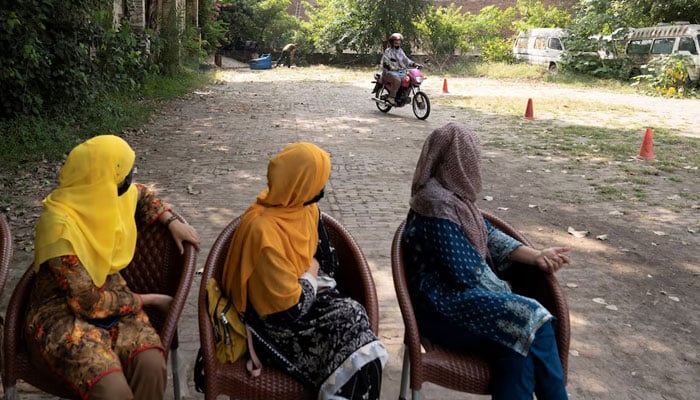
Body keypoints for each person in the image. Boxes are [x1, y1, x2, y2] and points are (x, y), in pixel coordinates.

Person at [402, 122, 570, 400]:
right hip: (441, 306)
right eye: (471, 159)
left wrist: (537, 256)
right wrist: (511, 298)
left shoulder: (455, 200)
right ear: (456, 161)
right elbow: (465, 273)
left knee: (519, 346)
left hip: (462, 300)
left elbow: (490, 236)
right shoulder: (436, 204)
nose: (476, 167)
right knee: (533, 318)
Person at [25, 135, 201, 400]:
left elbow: (141, 194)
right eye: (125, 172)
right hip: (62, 313)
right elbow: (88, 303)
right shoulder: (59, 226)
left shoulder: (111, 195)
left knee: (151, 366)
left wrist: (170, 220)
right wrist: (151, 300)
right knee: (112, 390)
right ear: (104, 177)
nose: (130, 178)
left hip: (114, 302)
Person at [221, 142, 388, 400]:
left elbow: (327, 263)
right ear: (301, 183)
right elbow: (288, 311)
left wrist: (309, 275)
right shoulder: (262, 232)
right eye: (319, 179)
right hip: (274, 325)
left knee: (360, 338)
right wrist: (310, 274)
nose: (323, 186)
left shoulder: (306, 210)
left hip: (303, 298)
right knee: (353, 337)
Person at [380, 33, 417, 105]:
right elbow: (385, 62)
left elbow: (406, 60)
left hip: (400, 72)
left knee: (409, 79)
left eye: (399, 43)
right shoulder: (388, 51)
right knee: (397, 80)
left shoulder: (400, 51)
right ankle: (391, 97)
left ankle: (403, 96)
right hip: (388, 72)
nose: (398, 44)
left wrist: (414, 64)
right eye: (396, 43)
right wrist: (390, 67)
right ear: (392, 43)